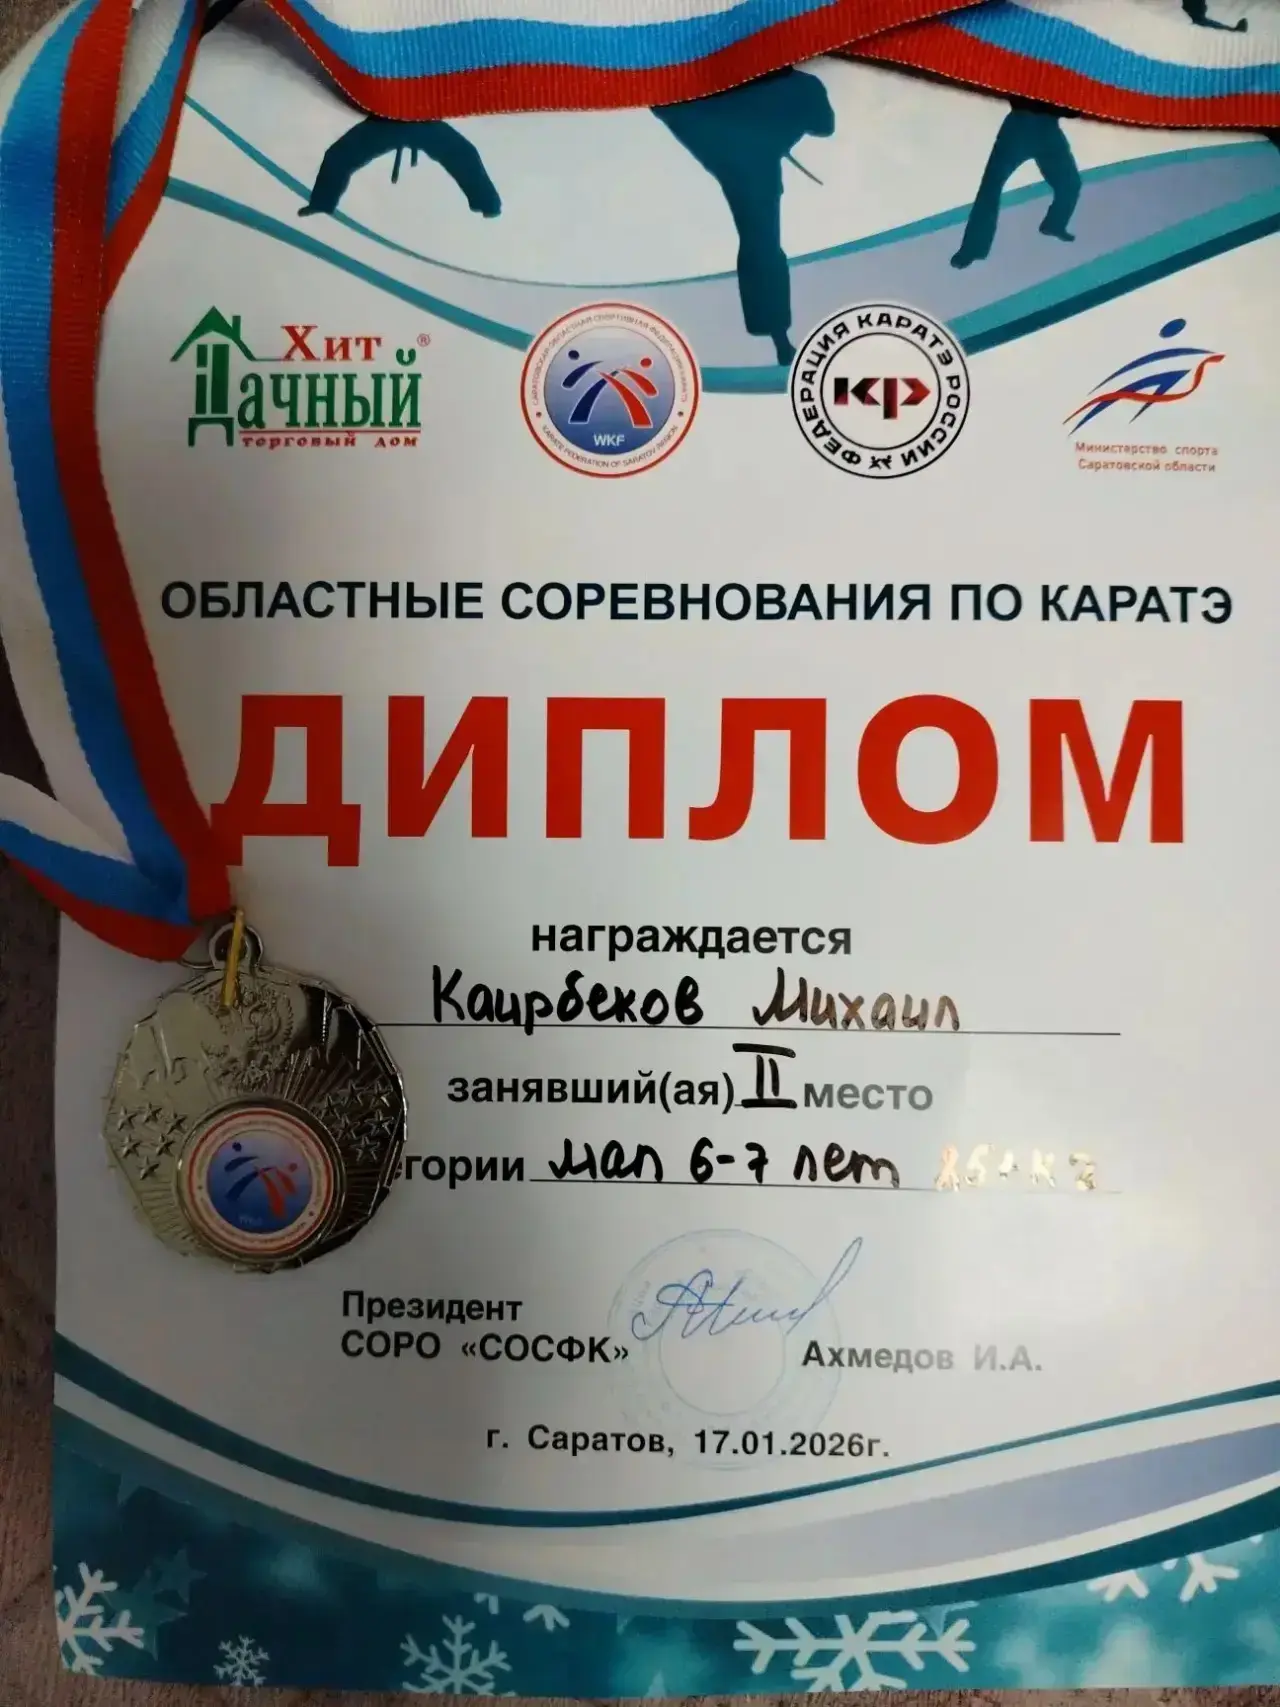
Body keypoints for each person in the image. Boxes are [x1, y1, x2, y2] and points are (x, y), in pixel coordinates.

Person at [654, 68, 835, 366]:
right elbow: (822, 124)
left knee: (760, 243)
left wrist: (774, 132)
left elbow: (823, 125)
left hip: (744, 158)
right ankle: (778, 337)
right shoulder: (800, 83)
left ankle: (778, 336)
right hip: (744, 157)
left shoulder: (800, 84)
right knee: (762, 244)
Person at [951, 96, 1081, 269]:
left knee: (1071, 183)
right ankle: (972, 249)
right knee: (991, 186)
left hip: (1047, 128)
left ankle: (1054, 224)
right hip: (1020, 125)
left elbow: (1073, 109)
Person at [300, 116, 501, 220]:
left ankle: (488, 203)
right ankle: (322, 202)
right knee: (339, 155)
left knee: (464, 154)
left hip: (416, 121)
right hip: (393, 120)